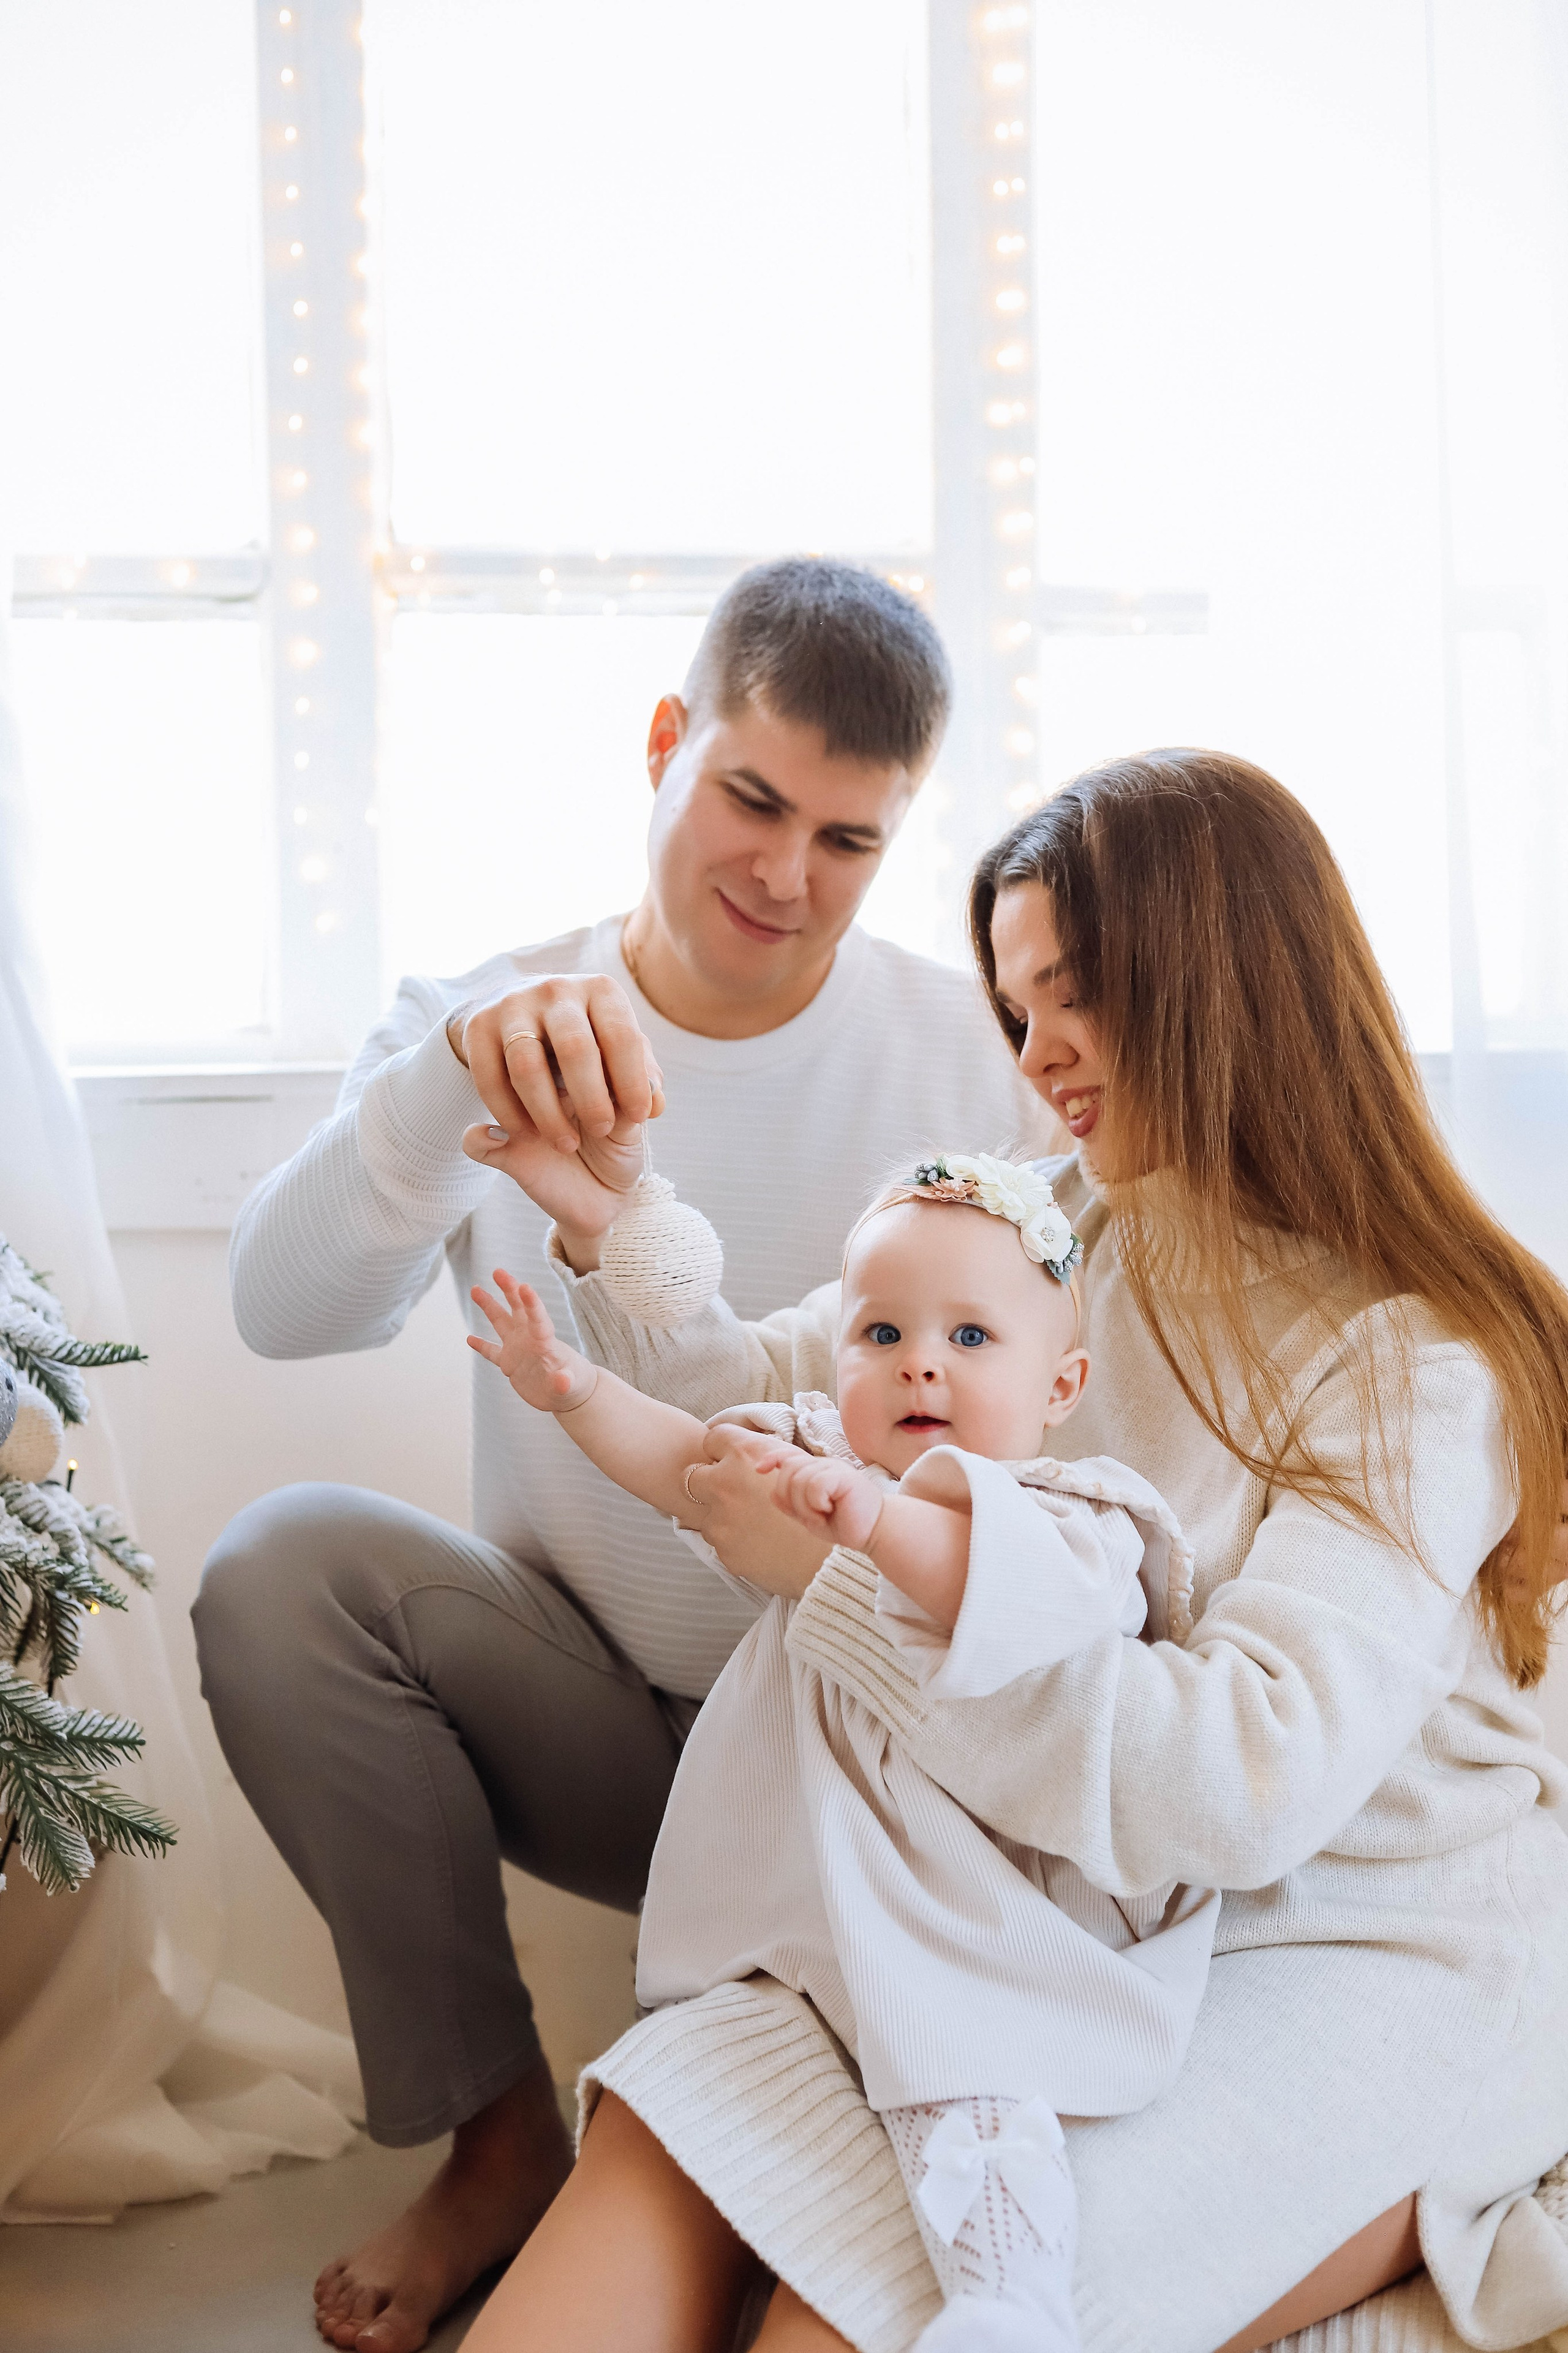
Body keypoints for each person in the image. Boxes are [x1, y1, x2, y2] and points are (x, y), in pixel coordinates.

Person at [459, 750, 1568, 2353]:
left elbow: (1241, 1781)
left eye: (1073, 998)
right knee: (669, 2145)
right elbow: (780, 1412)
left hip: (1355, 1933)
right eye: (1014, 1005)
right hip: (1043, 1892)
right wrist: (611, 1219)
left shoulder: (1410, 1362)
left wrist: (842, 1583)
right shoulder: (1053, 1222)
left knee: (890, 2298)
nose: (1035, 1054)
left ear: (1219, 987)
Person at [192, 558, 1052, 2353]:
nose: (786, 874)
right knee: (280, 1567)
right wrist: (441, 1085)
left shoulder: (975, 1058)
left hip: (875, 1757)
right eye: (753, 799)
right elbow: (281, 1312)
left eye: (848, 838)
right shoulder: (486, 1021)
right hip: (606, 1728)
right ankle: (498, 2135)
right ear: (666, 741)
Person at [464, 1147, 1220, 2353]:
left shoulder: (1075, 1516)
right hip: (816, 1896)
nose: (920, 1360)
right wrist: (574, 1390)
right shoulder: (819, 1454)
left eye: (970, 1336)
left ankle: (1009, 2305)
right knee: (753, 2074)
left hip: (966, 1907)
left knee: (970, 2106)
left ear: (1061, 1383)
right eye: (881, 1332)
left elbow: (975, 1580)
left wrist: (871, 1522)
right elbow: (685, 1465)